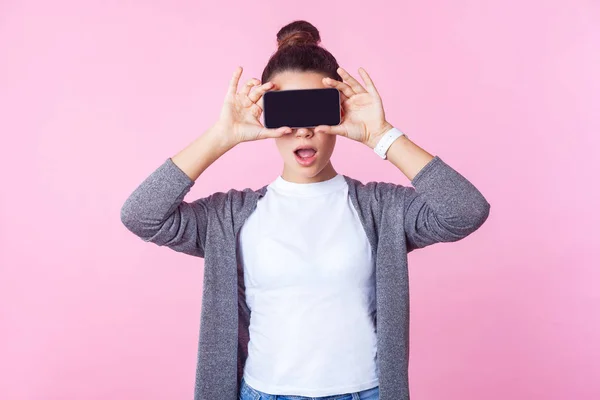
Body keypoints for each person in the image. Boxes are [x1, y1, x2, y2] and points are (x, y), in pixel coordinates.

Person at [120, 20, 491, 400]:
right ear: (265, 116)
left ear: (340, 113)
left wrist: (382, 135)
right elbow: (142, 214)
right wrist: (220, 137)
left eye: (316, 109)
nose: (303, 130)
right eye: (287, 111)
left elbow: (465, 211)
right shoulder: (230, 217)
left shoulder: (381, 210)